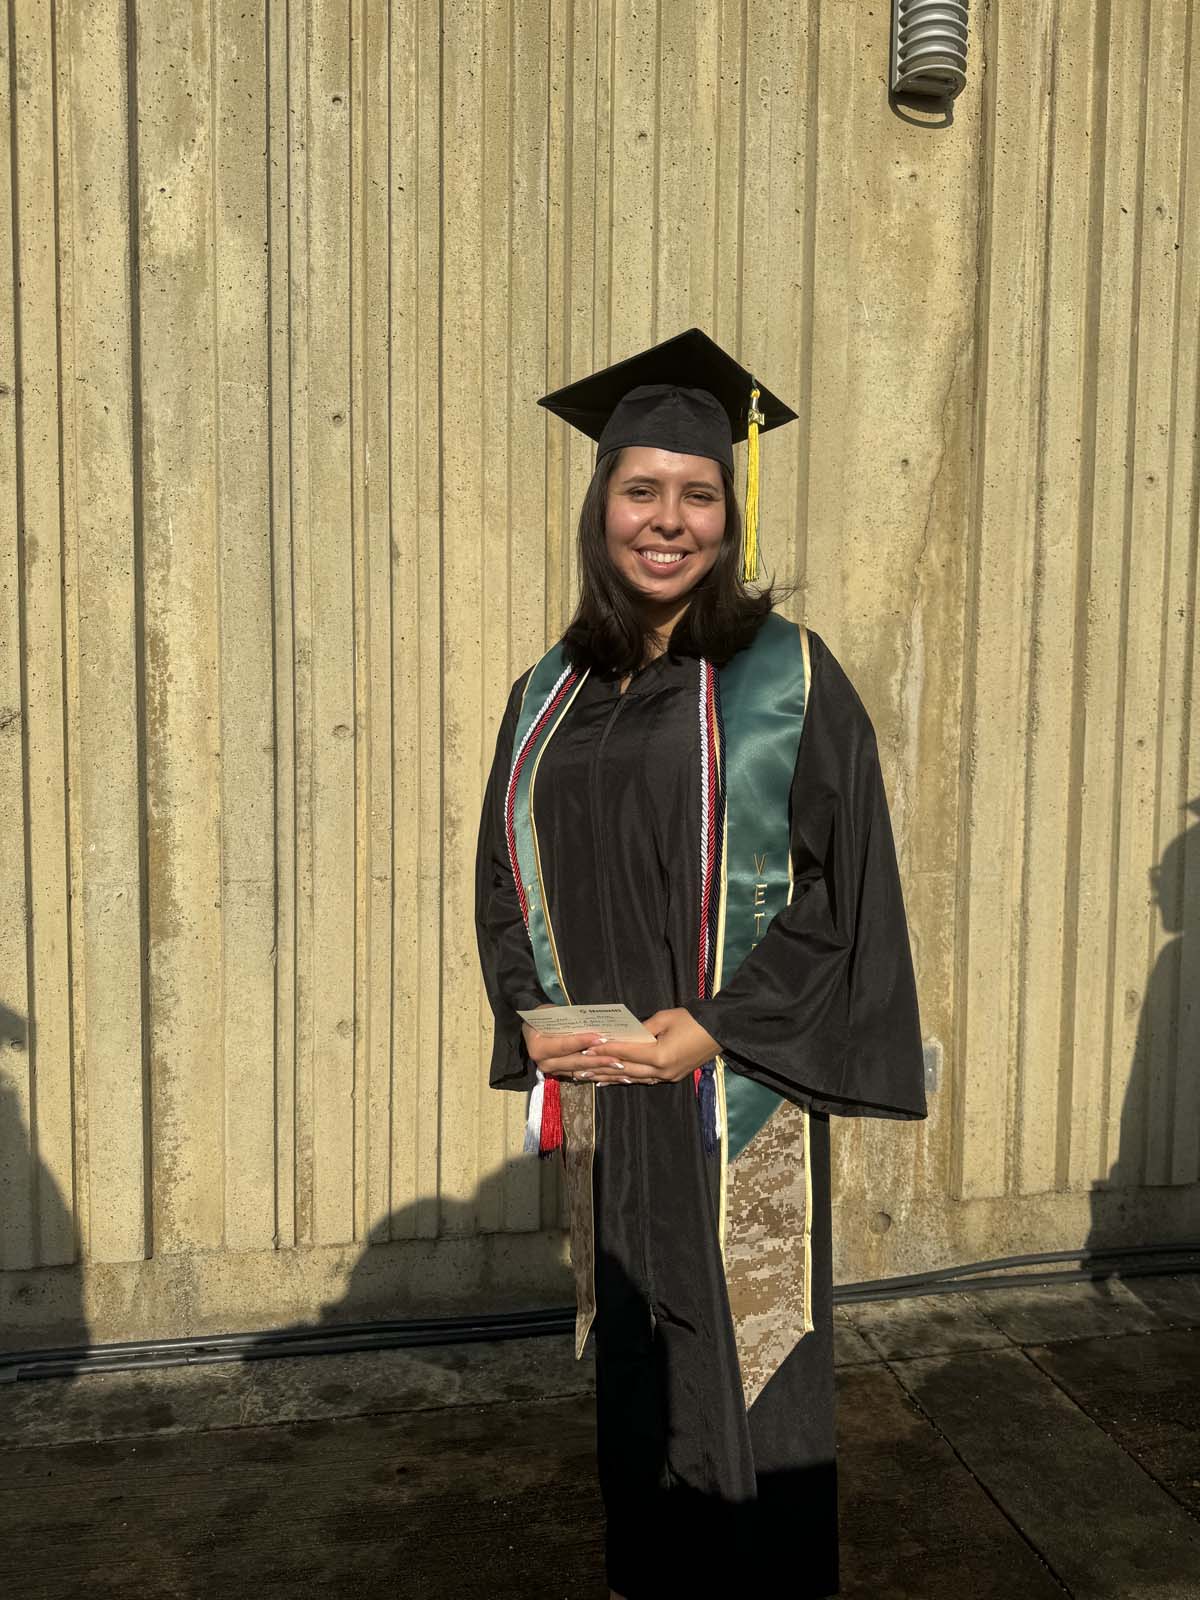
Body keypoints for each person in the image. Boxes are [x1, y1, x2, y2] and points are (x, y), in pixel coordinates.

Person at [475, 328, 927, 1599]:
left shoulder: (785, 677)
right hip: (615, 1101)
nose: (667, 521)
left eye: (698, 493)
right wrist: (537, 1015)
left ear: (730, 513)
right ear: (600, 504)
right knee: (635, 1374)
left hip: (732, 1100)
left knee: (746, 1388)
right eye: (641, 491)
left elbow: (849, 891)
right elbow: (503, 877)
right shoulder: (549, 690)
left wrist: (719, 1023)